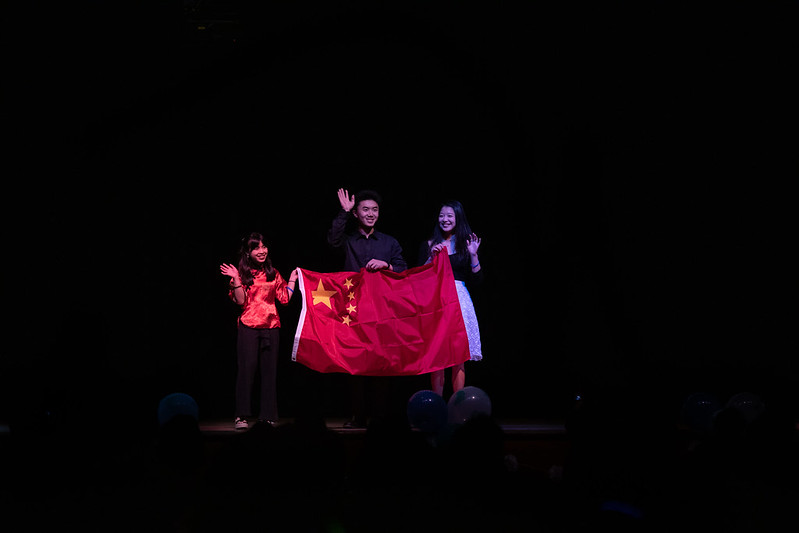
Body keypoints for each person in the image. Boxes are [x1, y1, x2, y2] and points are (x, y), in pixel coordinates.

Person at [327, 188, 408, 428]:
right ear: (356, 213)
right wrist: (343, 212)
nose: (371, 214)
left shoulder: (389, 242)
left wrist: (387, 265)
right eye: (365, 209)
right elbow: (332, 242)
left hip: (382, 311)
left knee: (381, 364)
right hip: (353, 310)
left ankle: (380, 417)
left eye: (375, 210)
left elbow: (403, 269)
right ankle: (358, 416)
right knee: (356, 365)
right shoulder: (349, 240)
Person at [220, 232, 298, 430]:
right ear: (248, 252)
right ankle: (241, 415)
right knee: (246, 371)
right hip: (249, 326)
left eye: (264, 247)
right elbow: (239, 301)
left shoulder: (273, 273)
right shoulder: (242, 274)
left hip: (271, 327)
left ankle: (268, 415)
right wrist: (236, 279)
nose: (262, 251)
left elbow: (285, 300)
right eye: (256, 248)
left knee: (269, 373)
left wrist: (291, 281)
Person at [418, 200, 483, 398]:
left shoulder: (466, 245)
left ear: (457, 218)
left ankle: (458, 404)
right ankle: (437, 403)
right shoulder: (429, 244)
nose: (444, 220)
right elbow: (418, 279)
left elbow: (478, 281)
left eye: (449, 216)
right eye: (441, 215)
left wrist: (474, 256)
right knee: (437, 355)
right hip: (437, 301)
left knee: (458, 355)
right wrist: (431, 257)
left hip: (459, 300)